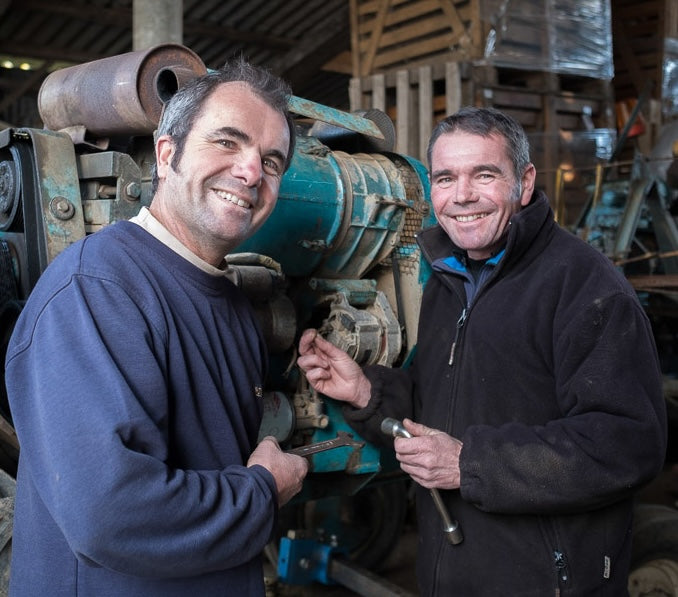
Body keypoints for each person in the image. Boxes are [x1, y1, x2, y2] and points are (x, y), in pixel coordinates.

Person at [297, 106, 667, 596]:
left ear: (525, 181)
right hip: (451, 572)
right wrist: (366, 390)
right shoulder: (448, 279)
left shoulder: (587, 289)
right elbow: (447, 403)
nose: (463, 196)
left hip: (547, 580)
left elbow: (624, 444)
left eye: (484, 174)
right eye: (446, 178)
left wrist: (469, 465)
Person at [5, 59, 308, 596]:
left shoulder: (232, 303)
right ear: (166, 155)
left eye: (272, 161)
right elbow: (111, 513)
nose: (252, 172)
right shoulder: (96, 290)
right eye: (227, 142)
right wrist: (262, 491)